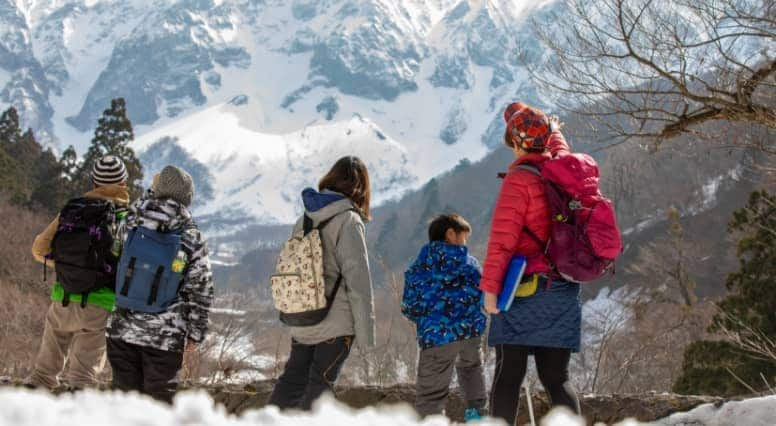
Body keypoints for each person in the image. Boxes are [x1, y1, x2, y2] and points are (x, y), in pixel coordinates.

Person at [480, 102, 582, 424]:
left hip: (524, 291)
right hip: (563, 288)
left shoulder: (519, 180)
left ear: (518, 142)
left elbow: (502, 242)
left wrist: (490, 290)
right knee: (557, 379)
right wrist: (554, 130)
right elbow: (559, 146)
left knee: (508, 376)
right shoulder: (565, 171)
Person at [268, 156, 376, 410]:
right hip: (335, 324)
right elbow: (358, 280)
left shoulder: (304, 218)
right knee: (319, 389)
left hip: (302, 318)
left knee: (291, 383)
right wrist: (366, 334)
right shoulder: (349, 220)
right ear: (361, 187)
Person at [106, 165, 214, 403]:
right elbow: (201, 289)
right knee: (158, 407)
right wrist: (196, 334)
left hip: (121, 329)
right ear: (187, 199)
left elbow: (114, 257)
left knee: (122, 406)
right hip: (164, 336)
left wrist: (149, 194)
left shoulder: (132, 221)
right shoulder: (191, 236)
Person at [26, 155, 131, 390]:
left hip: (62, 299)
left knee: (42, 376)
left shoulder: (74, 210)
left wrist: (66, 266)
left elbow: (39, 250)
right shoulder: (126, 218)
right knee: (83, 381)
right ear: (124, 184)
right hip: (99, 305)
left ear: (93, 182)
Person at [402, 213, 487, 421]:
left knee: (431, 397)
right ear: (450, 234)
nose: (465, 243)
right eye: (464, 237)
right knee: (472, 376)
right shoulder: (471, 265)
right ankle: (477, 419)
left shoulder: (419, 267)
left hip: (436, 337)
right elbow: (483, 296)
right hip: (470, 335)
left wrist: (428, 321)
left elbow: (409, 306)